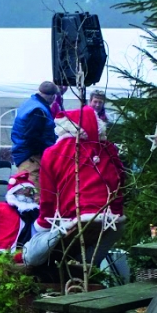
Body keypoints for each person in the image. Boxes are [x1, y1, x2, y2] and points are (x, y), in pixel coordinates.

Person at [21, 107, 125, 268]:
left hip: (71, 221)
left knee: (33, 253)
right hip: (110, 218)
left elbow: (48, 197)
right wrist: (116, 212)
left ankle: (33, 259)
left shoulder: (54, 152)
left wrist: (43, 224)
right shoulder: (109, 149)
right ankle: (85, 270)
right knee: (102, 243)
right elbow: (120, 182)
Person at [9, 82, 58, 187]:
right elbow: (32, 137)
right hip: (31, 158)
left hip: (24, 154)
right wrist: (45, 152)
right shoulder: (39, 111)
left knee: (25, 188)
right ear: (52, 97)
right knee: (31, 191)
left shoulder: (30, 103)